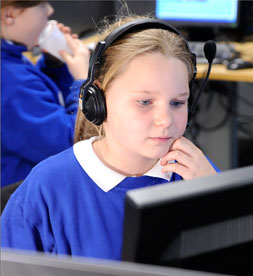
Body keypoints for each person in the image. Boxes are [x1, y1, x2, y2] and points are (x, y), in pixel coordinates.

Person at [1, 15, 219, 260]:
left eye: (177, 102)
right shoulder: (48, 188)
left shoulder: (199, 174)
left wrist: (217, 198)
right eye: (145, 102)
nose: (166, 120)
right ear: (98, 102)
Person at [1, 0, 90, 187]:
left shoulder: (11, 59)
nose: (50, 10)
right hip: (20, 196)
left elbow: (37, 96)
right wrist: (83, 81)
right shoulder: (10, 82)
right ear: (9, 15)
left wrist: (54, 63)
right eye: (41, 5)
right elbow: (72, 143)